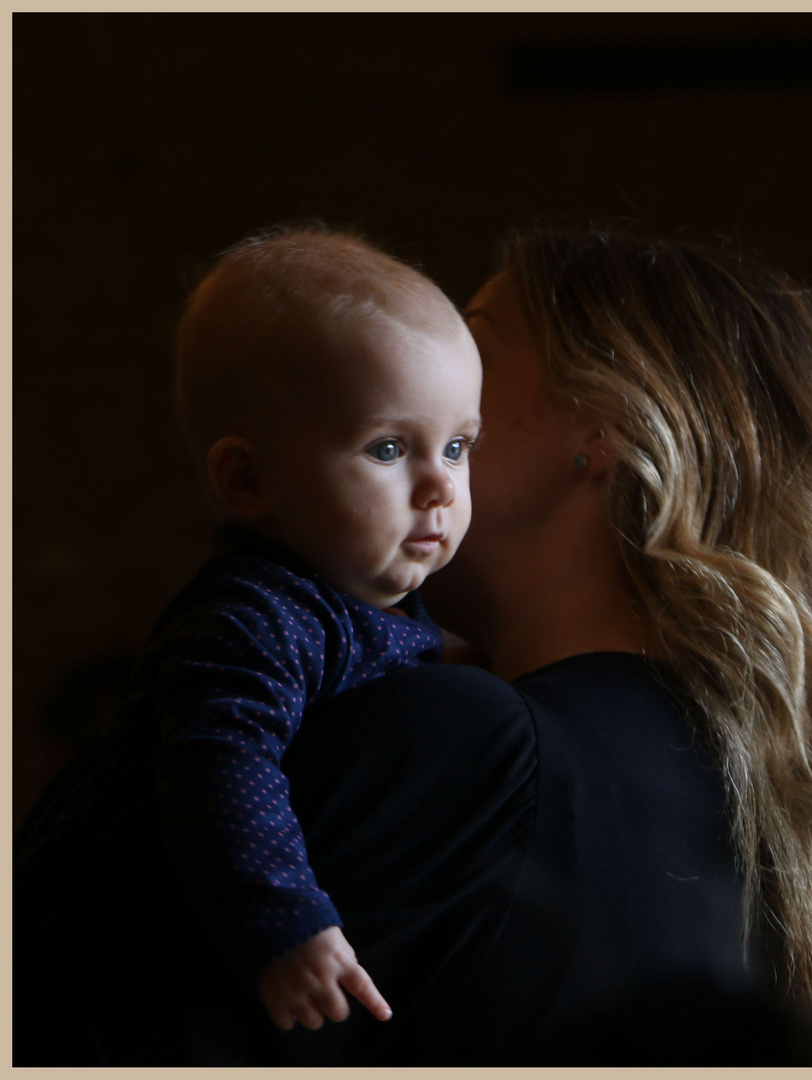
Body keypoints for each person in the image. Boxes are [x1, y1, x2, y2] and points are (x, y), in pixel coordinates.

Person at [16, 224, 812, 1065]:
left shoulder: (461, 748)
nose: (422, 365)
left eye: (470, 346)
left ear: (601, 427)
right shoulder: (768, 811)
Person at [14, 225, 483, 1060]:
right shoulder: (257, 616)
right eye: (389, 447)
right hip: (97, 959)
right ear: (246, 481)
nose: (442, 483)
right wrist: (284, 923)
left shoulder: (382, 610)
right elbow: (219, 764)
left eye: (457, 445)